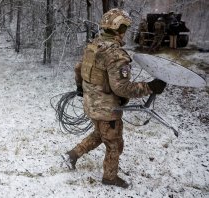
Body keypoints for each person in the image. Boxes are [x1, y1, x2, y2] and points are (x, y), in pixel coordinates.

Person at [63, 8, 167, 188]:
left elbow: (78, 68)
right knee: (114, 144)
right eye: (125, 28)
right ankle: (109, 177)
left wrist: (80, 87)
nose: (125, 32)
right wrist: (150, 87)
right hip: (107, 110)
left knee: (99, 134)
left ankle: (72, 155)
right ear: (120, 29)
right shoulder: (116, 55)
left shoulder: (94, 44)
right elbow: (122, 88)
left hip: (91, 104)